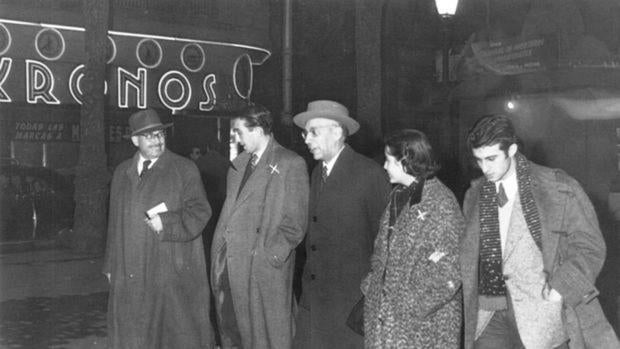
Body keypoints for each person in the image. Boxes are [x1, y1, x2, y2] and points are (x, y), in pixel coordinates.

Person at [461, 114, 619, 349]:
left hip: (541, 315)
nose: (485, 168)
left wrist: (562, 286)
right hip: (488, 315)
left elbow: (590, 245)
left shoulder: (557, 187)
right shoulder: (474, 196)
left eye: (491, 159)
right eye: (479, 160)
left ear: (512, 149)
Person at [103, 109, 214, 349]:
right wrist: (110, 265)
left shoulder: (184, 169)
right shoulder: (122, 172)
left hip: (167, 267)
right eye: (149, 136)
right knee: (131, 333)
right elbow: (113, 224)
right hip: (128, 269)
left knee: (169, 334)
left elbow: (200, 212)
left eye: (160, 134)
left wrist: (167, 222)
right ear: (135, 140)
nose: (157, 140)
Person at [292, 100, 391, 348]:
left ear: (337, 131)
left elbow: (388, 243)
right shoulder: (316, 173)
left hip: (349, 305)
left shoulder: (370, 174)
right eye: (305, 132)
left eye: (314, 131)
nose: (307, 139)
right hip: (313, 302)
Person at [211, 104, 309, 349]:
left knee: (266, 337)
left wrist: (270, 256)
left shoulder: (289, 163)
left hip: (262, 270)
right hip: (230, 266)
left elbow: (295, 222)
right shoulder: (238, 167)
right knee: (233, 331)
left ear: (257, 130)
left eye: (239, 131)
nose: (235, 138)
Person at [362, 129, 463, 348]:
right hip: (388, 320)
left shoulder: (441, 203)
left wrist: (408, 306)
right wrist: (373, 287)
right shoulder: (398, 196)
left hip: (422, 328)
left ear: (406, 162)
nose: (384, 166)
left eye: (389, 160)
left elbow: (449, 269)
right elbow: (382, 252)